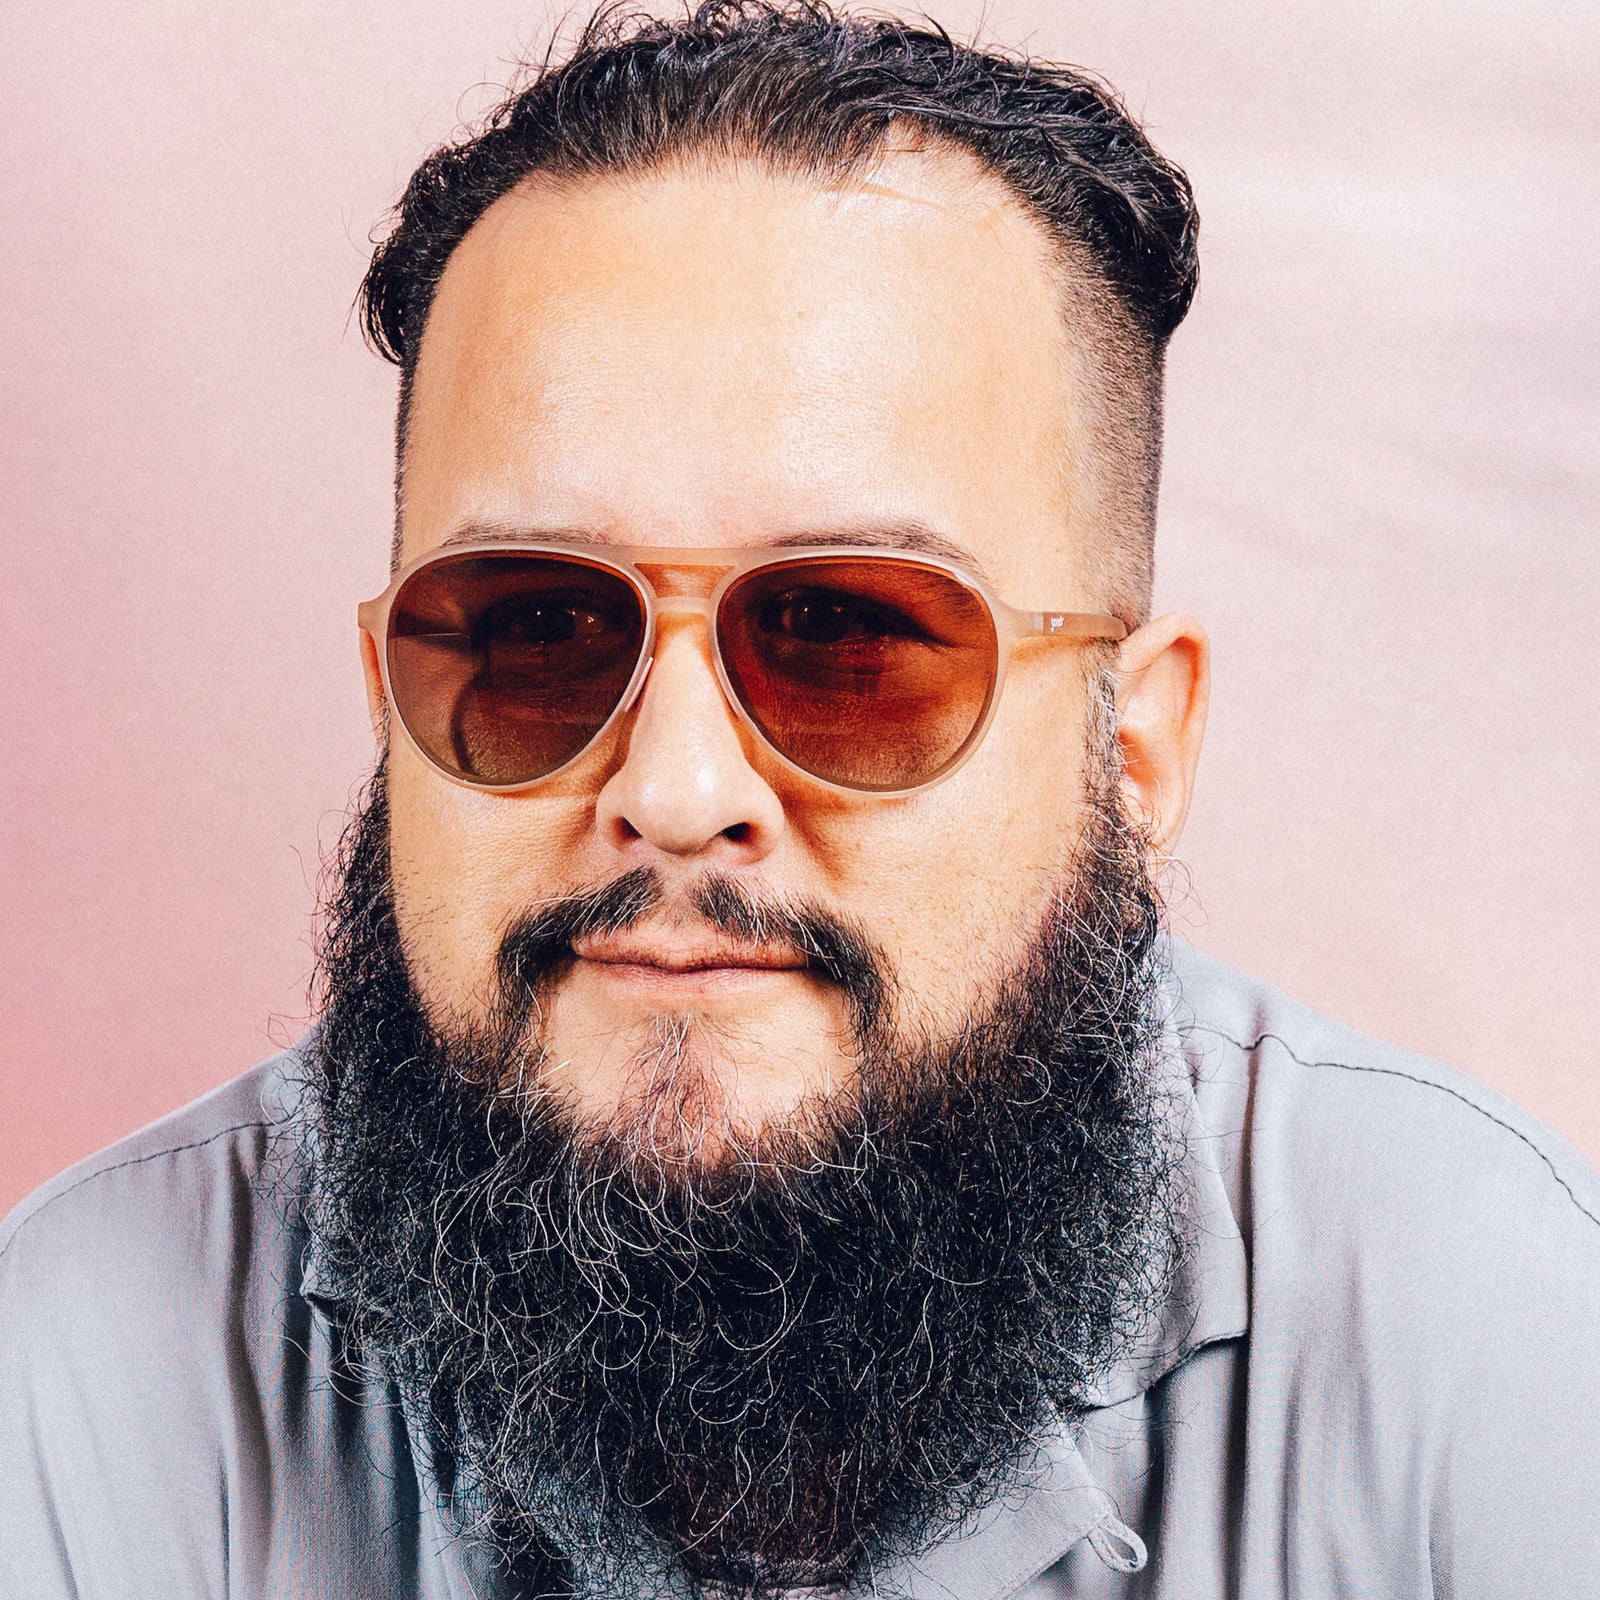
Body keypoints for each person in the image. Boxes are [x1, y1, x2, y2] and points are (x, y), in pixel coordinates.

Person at [3, 4, 1597, 1596]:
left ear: (1135, 747)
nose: (677, 792)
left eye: (844, 633)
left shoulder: (1491, 1332)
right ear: (388, 702)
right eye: (541, 630)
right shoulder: (86, 1370)